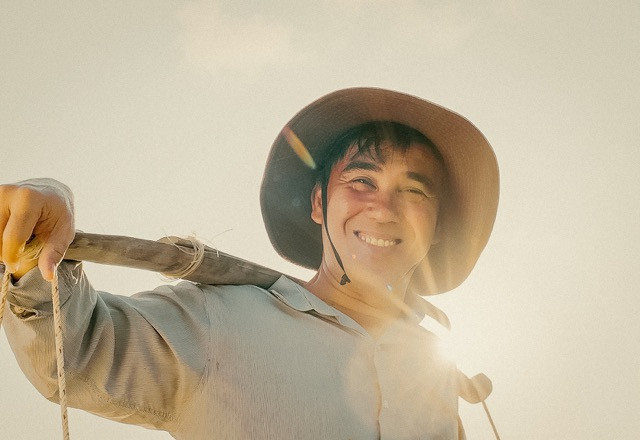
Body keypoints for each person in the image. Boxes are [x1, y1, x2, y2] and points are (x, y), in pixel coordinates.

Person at [0, 87, 499, 439]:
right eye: (361, 181)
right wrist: (35, 225)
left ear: (437, 227)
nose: (384, 208)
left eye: (414, 191)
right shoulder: (217, 320)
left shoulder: (436, 378)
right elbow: (76, 349)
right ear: (319, 204)